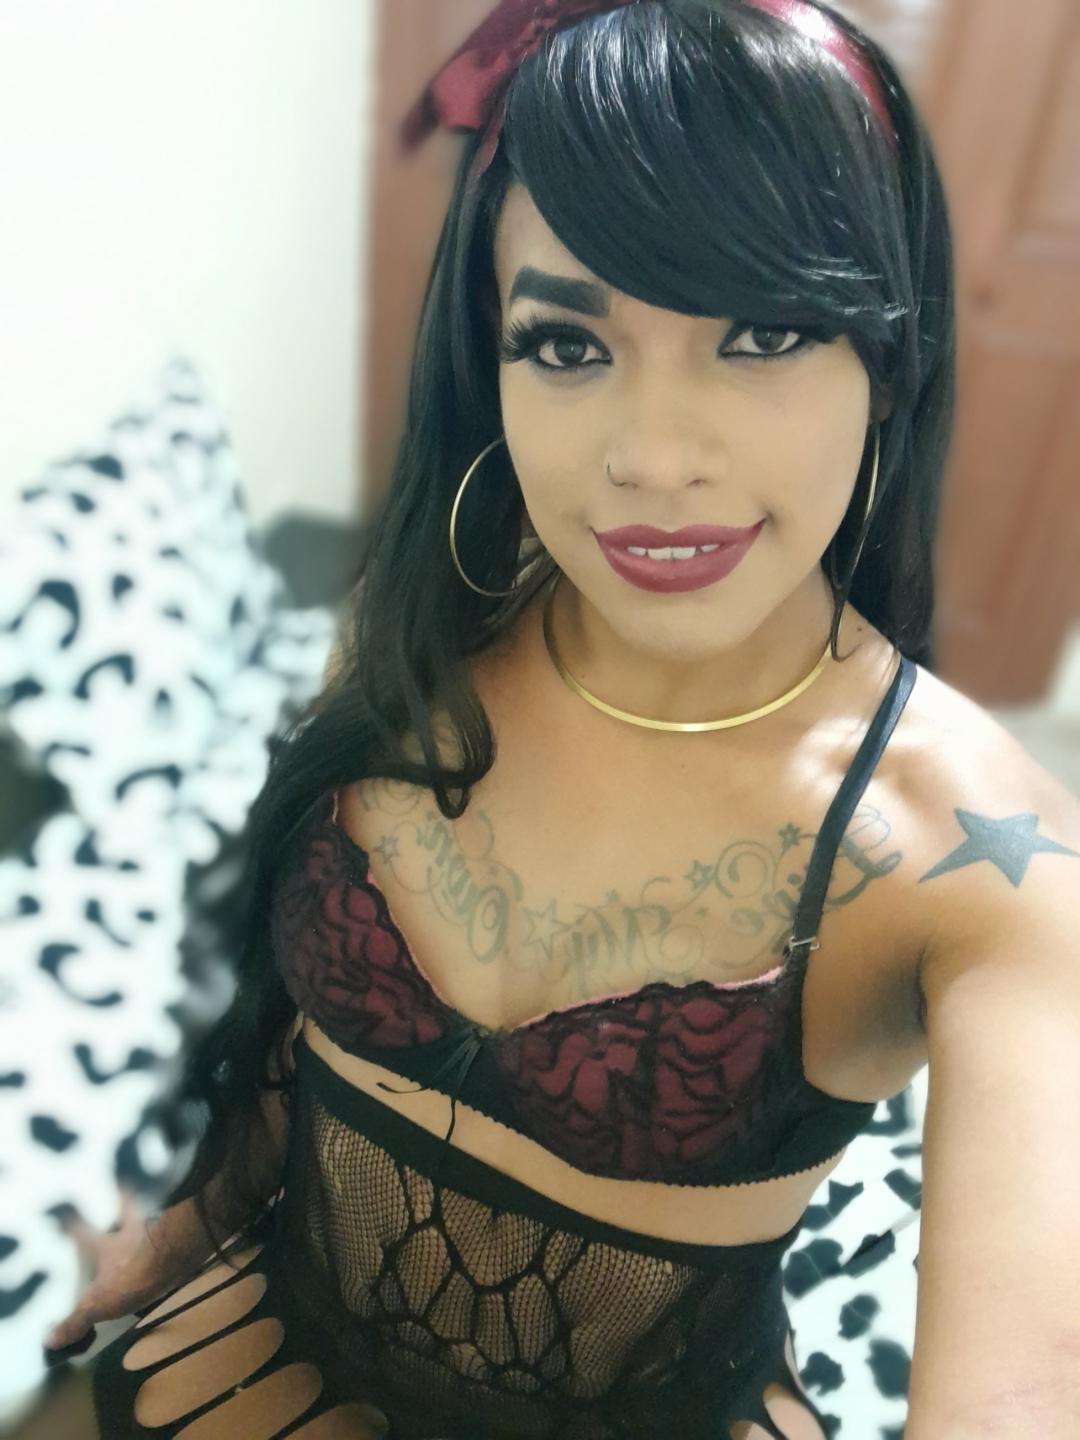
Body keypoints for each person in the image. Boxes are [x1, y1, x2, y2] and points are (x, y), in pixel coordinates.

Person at [41, 0, 960, 1434]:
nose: (652, 457)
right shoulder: (422, 634)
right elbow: (299, 1049)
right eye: (569, 346)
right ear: (495, 361)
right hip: (249, 1346)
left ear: (889, 361)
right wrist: (194, 1210)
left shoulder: (982, 857)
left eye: (765, 333)